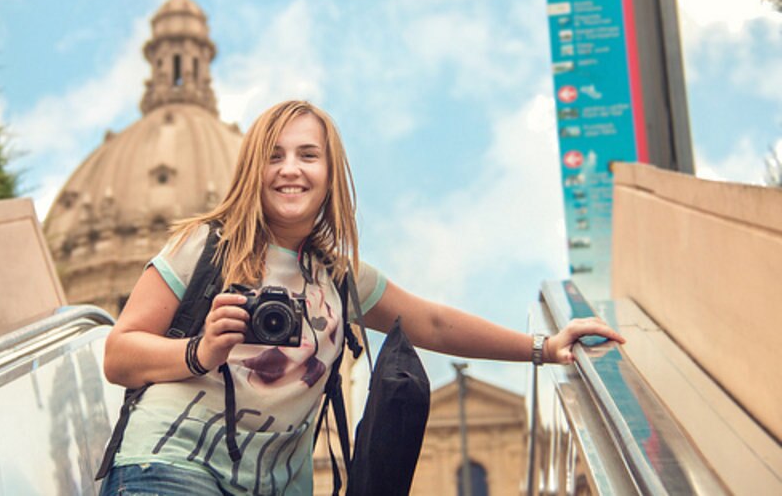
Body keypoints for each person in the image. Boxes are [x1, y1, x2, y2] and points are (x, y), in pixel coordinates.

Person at [101, 100, 623, 496]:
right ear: (251, 172)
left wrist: (544, 348)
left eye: (308, 155)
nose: (290, 169)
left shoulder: (341, 278)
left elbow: (434, 324)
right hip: (170, 465)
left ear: (330, 177)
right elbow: (118, 353)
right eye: (274, 156)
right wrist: (200, 350)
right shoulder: (206, 243)